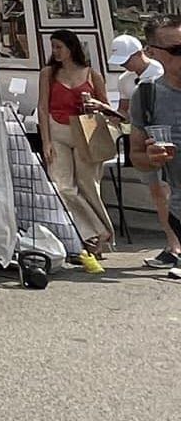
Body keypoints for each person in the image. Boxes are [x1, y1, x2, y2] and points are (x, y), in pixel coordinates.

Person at [37, 29, 113, 273]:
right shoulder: (49, 73)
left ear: (71, 47)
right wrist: (46, 141)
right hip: (58, 130)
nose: (55, 52)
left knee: (88, 184)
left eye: (59, 47)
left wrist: (96, 105)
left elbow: (107, 109)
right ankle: (94, 232)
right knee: (62, 186)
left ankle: (100, 234)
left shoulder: (92, 74)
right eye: (53, 47)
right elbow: (42, 107)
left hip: (85, 130)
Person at [109, 34, 178, 268]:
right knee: (158, 194)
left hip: (164, 142)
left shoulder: (160, 72)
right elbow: (126, 112)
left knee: (167, 192)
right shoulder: (126, 80)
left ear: (140, 53)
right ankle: (173, 245)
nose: (125, 65)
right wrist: (107, 112)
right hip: (144, 141)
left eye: (127, 59)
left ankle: (174, 245)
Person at [129, 16, 181, 280]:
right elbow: (136, 156)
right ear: (152, 52)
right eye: (176, 50)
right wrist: (150, 158)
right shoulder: (147, 95)